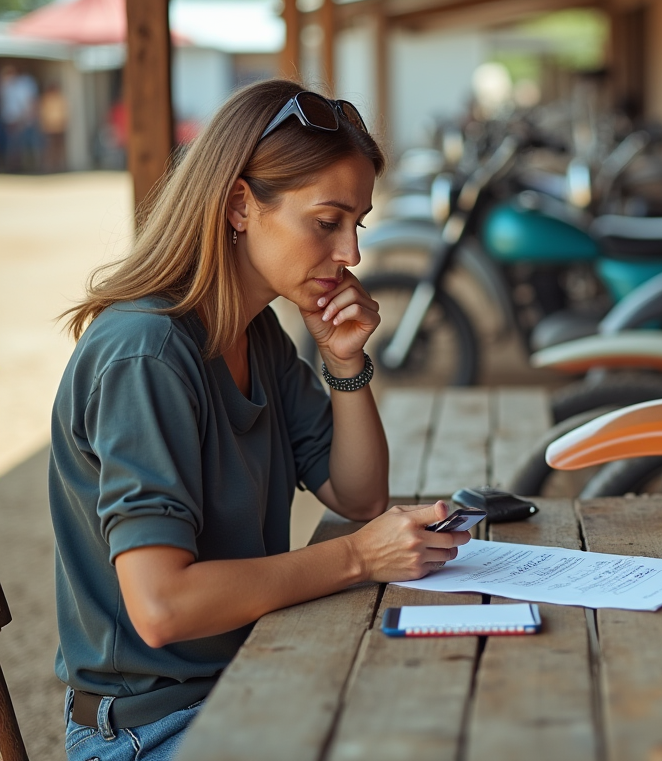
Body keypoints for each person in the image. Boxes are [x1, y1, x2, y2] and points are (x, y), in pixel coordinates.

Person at [51, 78, 470, 761]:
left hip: (250, 678)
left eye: (356, 225)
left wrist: (344, 361)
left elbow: (357, 494)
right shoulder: (146, 355)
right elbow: (163, 607)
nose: (352, 256)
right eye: (326, 221)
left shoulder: (257, 334)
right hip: (152, 729)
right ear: (242, 205)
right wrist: (362, 557)